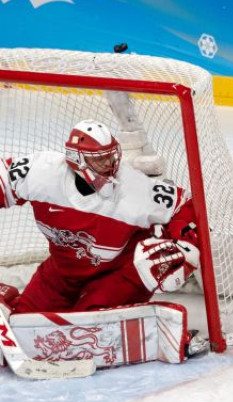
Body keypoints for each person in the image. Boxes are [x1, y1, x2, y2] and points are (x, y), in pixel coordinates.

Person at [0, 120, 205, 313]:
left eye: (111, 157)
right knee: (22, 320)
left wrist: (184, 242)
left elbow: (185, 204)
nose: (110, 165)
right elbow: (4, 179)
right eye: (100, 159)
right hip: (63, 271)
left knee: (91, 322)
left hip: (117, 273)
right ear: (77, 160)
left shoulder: (133, 188)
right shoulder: (43, 173)